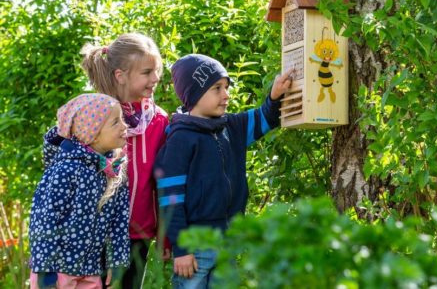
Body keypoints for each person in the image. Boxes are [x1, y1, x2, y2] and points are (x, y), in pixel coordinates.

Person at [153, 54, 293, 288]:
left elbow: (264, 118)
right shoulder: (180, 139)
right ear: (194, 95)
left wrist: (274, 96)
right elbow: (171, 199)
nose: (226, 95)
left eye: (226, 87)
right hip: (195, 245)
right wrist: (182, 249)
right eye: (217, 88)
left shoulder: (231, 127)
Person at [80, 33, 170, 289]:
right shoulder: (95, 116)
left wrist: (165, 236)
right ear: (120, 75)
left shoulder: (159, 121)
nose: (155, 78)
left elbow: (162, 181)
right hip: (95, 233)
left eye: (157, 70)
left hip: (137, 234)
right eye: (147, 72)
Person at [29, 93, 130, 289]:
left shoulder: (114, 171)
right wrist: (45, 272)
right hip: (57, 272)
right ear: (92, 132)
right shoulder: (65, 170)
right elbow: (44, 221)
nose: (124, 126)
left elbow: (119, 221)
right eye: (115, 122)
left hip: (90, 271)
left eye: (123, 120)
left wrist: (116, 262)